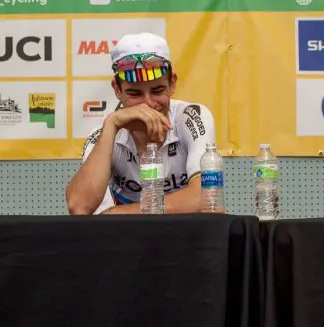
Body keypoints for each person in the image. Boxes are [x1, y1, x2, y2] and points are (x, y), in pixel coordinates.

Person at [66, 32, 217, 215]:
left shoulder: (191, 117)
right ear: (117, 90)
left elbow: (207, 198)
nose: (148, 104)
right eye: (135, 94)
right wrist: (112, 123)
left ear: (172, 84)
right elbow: (79, 207)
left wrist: (118, 213)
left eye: (157, 90)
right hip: (127, 240)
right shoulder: (104, 133)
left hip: (187, 239)